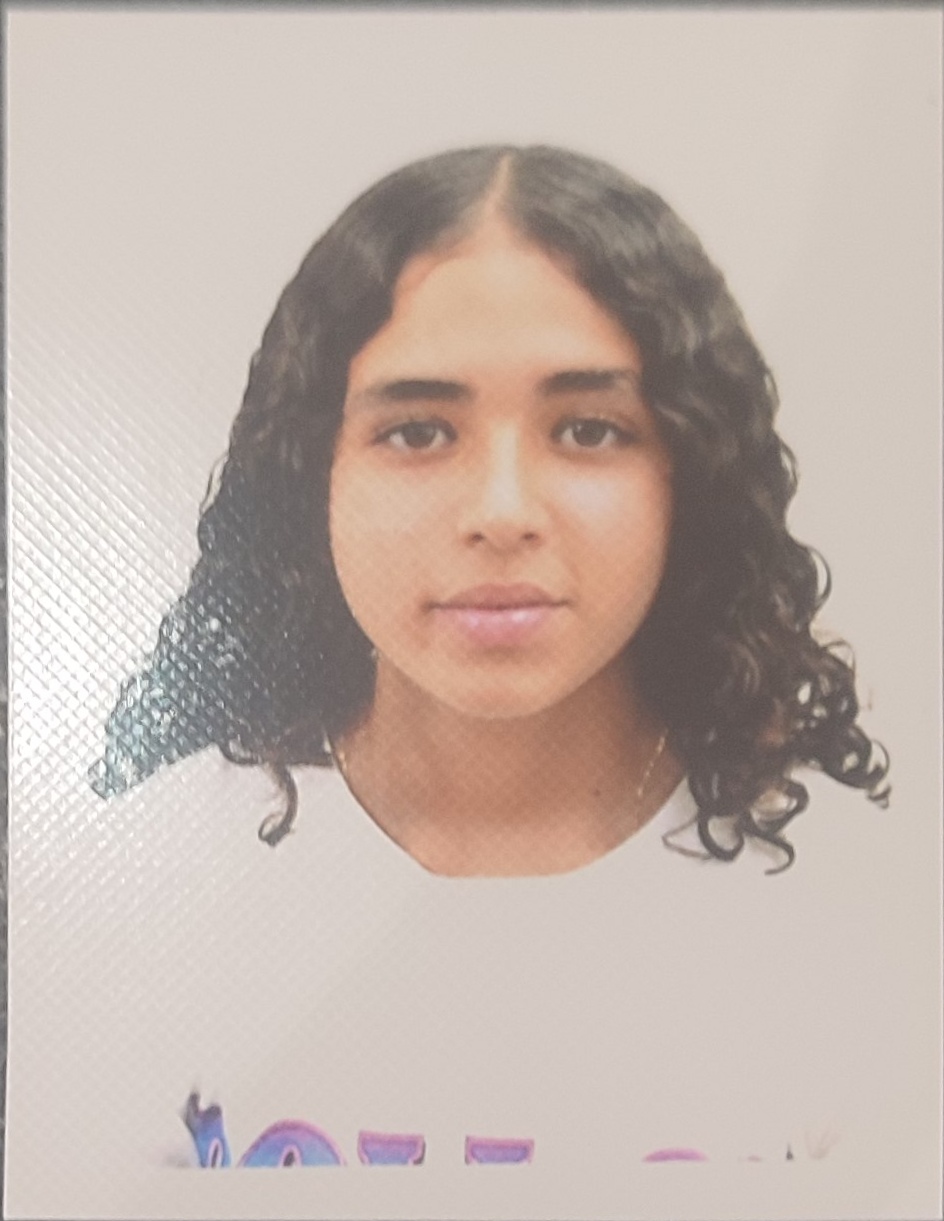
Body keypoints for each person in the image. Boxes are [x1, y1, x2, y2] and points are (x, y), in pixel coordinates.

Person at [88, 146, 892, 1183]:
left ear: (687, 472)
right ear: (311, 473)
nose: (502, 512)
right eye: (418, 430)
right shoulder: (152, 901)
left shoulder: (856, 924)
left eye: (588, 428)